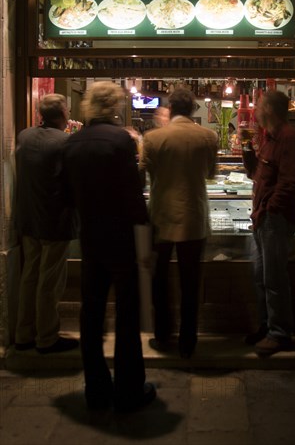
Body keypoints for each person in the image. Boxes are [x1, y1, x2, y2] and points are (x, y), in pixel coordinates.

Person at [62, 81, 156, 411]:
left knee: (92, 315)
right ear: (114, 105)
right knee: (127, 315)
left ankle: (96, 390)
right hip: (121, 239)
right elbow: (133, 194)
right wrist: (145, 231)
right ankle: (129, 389)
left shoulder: (72, 143)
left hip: (90, 238)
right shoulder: (120, 139)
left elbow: (65, 194)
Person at [139, 88, 218, 358]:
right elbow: (210, 173)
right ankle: (188, 341)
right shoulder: (208, 136)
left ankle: (163, 335)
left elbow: (143, 176)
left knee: (159, 281)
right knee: (191, 282)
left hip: (161, 217)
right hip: (194, 217)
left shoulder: (152, 138)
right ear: (193, 109)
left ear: (170, 109)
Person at [15, 94, 79, 354]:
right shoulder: (65, 142)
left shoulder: (24, 136)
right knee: (49, 280)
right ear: (64, 113)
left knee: (30, 275)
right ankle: (47, 338)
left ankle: (23, 334)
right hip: (55, 219)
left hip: (28, 218)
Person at [241, 90, 295, 356]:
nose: (255, 110)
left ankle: (280, 333)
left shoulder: (289, 137)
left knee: (274, 278)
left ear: (270, 110)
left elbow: (289, 183)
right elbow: (256, 173)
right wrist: (246, 147)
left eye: (259, 106)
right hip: (262, 218)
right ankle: (266, 326)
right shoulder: (268, 137)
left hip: (273, 220)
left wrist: (269, 210)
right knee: (260, 277)